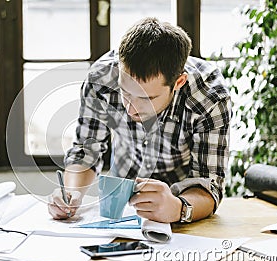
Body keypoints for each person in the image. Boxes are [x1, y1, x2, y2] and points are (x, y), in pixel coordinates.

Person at [48, 17, 231, 223]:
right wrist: (72, 194)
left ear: (178, 82)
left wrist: (178, 208)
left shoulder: (209, 97)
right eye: (125, 92)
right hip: (121, 194)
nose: (130, 107)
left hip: (183, 199)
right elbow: (86, 151)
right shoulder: (101, 79)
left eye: (147, 98)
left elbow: (209, 184)